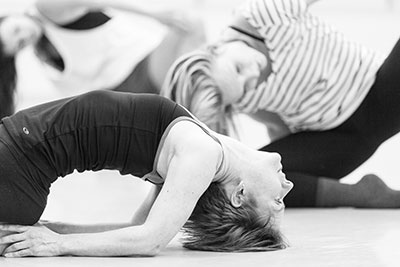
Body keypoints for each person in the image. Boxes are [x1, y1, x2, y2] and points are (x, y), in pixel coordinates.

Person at [162, 0, 400, 208]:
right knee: (250, 177)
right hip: (338, 142)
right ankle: (363, 195)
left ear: (215, 47)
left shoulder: (263, 14)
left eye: (238, 68)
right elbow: (279, 127)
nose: (251, 76)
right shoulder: (241, 97)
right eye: (244, 87)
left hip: (378, 94)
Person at [0, 90, 293, 257]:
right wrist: (60, 230)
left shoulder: (203, 155)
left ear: (239, 195)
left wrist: (56, 241)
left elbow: (149, 240)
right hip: (17, 165)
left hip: (15, 166)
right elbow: (134, 229)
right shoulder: (201, 150)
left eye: (277, 201)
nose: (289, 186)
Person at [0, 0, 205, 115]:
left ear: (11, 15)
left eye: (17, 29)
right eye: (20, 44)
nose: (25, 36)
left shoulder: (47, 18)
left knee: (192, 71)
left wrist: (155, 15)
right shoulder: (44, 44)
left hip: (128, 94)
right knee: (192, 24)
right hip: (136, 75)